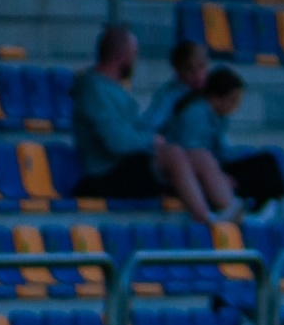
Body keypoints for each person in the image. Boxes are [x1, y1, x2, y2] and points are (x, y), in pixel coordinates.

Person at [69, 25, 233, 224]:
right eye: (134, 54)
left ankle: (233, 211)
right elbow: (117, 143)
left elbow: (135, 130)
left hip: (127, 164)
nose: (135, 60)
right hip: (104, 173)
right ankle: (205, 217)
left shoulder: (114, 89)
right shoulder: (94, 91)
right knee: (172, 154)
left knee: (200, 157)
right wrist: (152, 141)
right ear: (122, 56)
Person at [162, 66, 284, 213]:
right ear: (216, 97)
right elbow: (192, 155)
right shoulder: (195, 115)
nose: (235, 106)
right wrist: (219, 176)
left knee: (269, 156)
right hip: (202, 175)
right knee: (264, 166)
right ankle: (277, 206)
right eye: (233, 100)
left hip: (215, 165)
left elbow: (220, 150)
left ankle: (279, 203)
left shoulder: (216, 117)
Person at [141, 40, 209, 132]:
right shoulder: (169, 96)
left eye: (201, 66)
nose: (197, 74)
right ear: (177, 70)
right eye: (189, 68)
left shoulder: (209, 94)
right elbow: (151, 124)